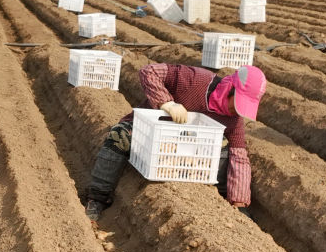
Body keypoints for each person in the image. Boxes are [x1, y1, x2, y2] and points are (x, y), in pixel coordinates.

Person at [84, 63, 268, 222]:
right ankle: (98, 197)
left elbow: (239, 156)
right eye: (238, 102)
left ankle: (220, 203)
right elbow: (149, 71)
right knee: (120, 135)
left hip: (183, 150)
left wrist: (239, 201)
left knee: (225, 153)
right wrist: (167, 103)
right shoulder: (193, 80)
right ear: (230, 88)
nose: (238, 110)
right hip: (149, 134)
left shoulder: (234, 119)